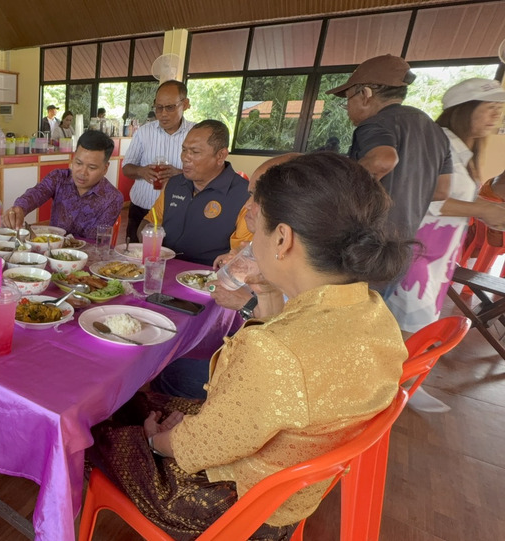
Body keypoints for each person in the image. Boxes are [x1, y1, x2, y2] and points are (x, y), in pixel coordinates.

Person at [90, 152, 410, 540]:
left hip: (236, 506)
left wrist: (154, 442)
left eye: (258, 228)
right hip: (287, 479)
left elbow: (202, 444)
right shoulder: (373, 313)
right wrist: (267, 289)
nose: (250, 234)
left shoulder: (275, 352)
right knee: (133, 401)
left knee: (92, 427)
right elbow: (271, 394)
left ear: (283, 239)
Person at [387, 79, 505, 413]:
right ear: (463, 110)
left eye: (499, 109)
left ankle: (403, 384)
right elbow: (423, 198)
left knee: (417, 320)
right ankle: (401, 386)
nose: (496, 115)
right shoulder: (440, 144)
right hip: (419, 250)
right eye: (488, 107)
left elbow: (455, 202)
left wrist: (484, 213)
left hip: (439, 253)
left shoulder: (465, 151)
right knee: (411, 320)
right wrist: (482, 209)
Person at [153, 153, 300, 399]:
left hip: (260, 385)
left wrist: (246, 303)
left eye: (255, 197)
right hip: (248, 352)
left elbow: (278, 360)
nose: (246, 206)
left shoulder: (304, 274)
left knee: (168, 368)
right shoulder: (275, 247)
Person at [328, 54, 453, 296]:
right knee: (371, 309)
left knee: (340, 311)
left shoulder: (376, 123)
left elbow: (383, 160)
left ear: (365, 93)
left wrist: (336, 191)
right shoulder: (434, 131)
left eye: (349, 99)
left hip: (362, 249)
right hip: (398, 252)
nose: (348, 109)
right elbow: (441, 190)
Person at [149, 120, 250, 266]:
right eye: (184, 150)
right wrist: (146, 242)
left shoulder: (244, 196)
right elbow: (151, 222)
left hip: (208, 275)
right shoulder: (174, 184)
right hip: (163, 267)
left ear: (220, 156)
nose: (185, 157)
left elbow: (242, 253)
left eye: (195, 152)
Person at [1, 130, 122, 239]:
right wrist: (20, 208)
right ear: (73, 158)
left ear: (105, 168)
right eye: (78, 163)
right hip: (51, 250)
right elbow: (37, 193)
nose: (82, 172)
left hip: (85, 254)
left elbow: (96, 242)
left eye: (92, 167)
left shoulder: (112, 198)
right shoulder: (59, 178)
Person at [122, 80, 195, 242]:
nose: (163, 114)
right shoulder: (144, 132)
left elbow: (208, 175)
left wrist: (180, 174)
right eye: (158, 107)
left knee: (172, 255)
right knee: (134, 253)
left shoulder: (195, 134)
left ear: (185, 104)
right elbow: (126, 168)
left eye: (170, 107)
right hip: (141, 210)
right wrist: (141, 171)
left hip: (178, 213)